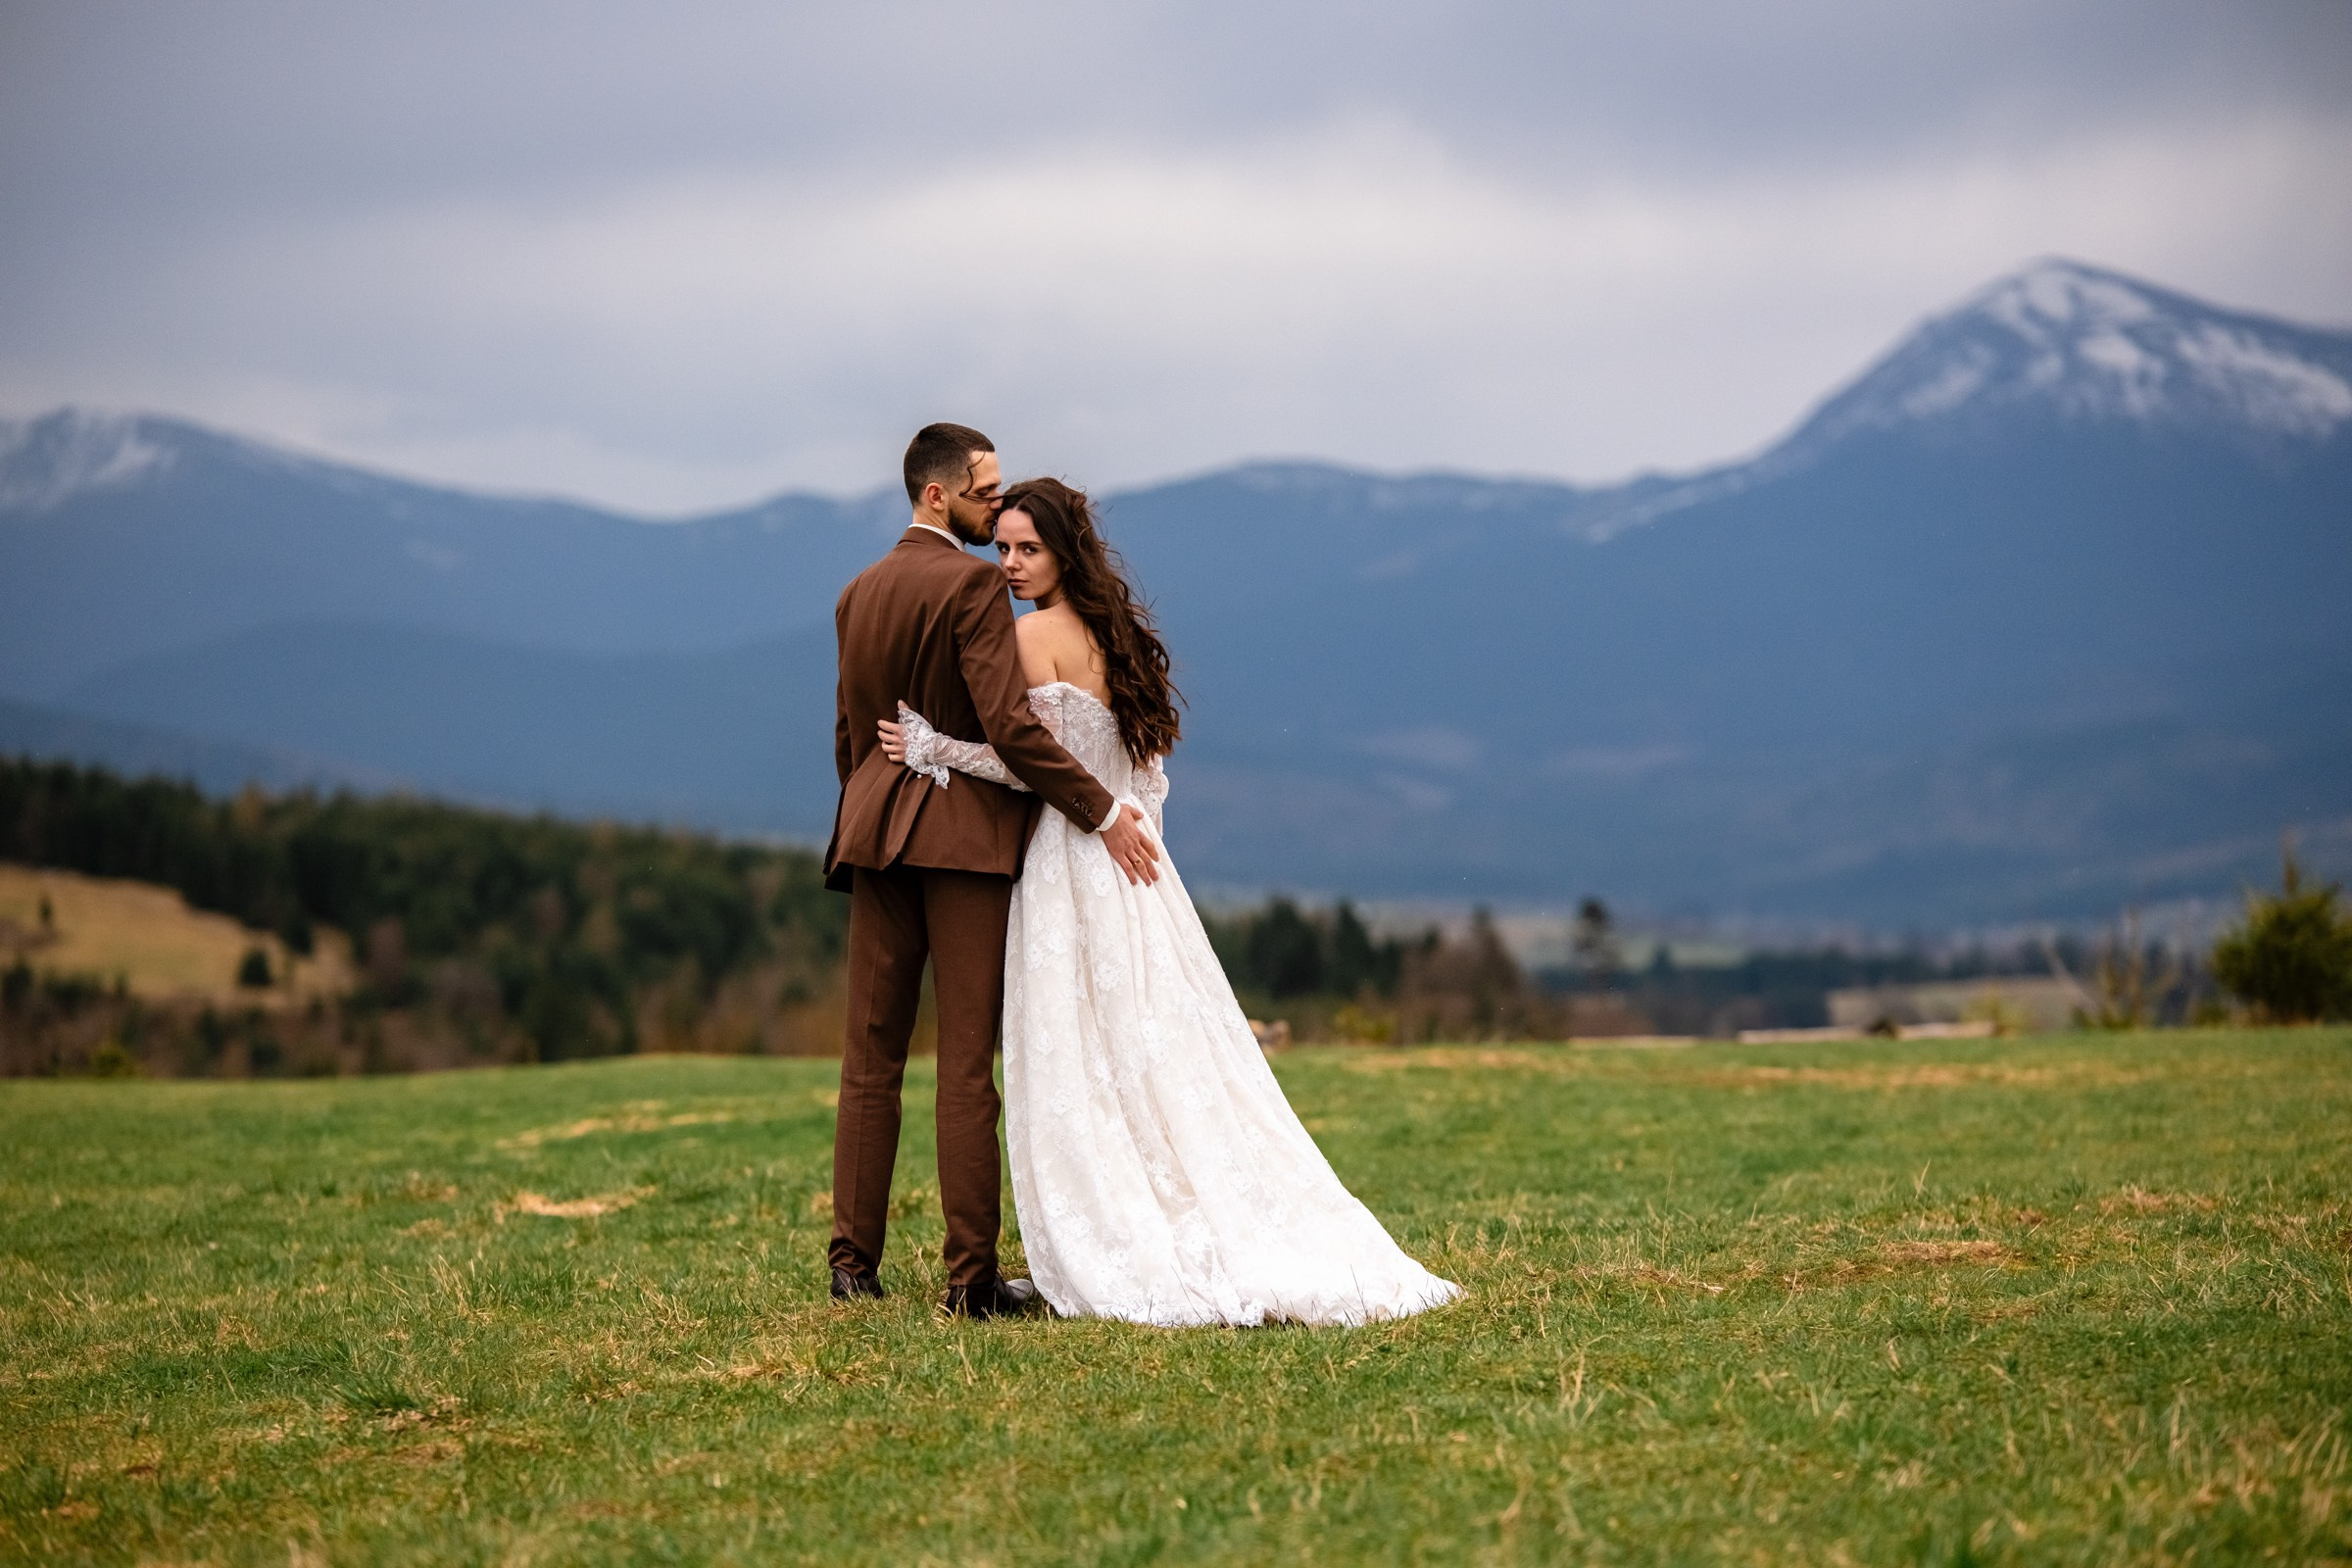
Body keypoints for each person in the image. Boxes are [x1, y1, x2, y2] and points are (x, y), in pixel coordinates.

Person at [880, 476, 1460, 1327]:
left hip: (1071, 862)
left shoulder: (1033, 635)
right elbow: (1148, 769)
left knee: (1080, 1055)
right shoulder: (1118, 637)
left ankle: (1122, 1236)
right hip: (1140, 865)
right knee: (1151, 1049)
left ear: (1064, 551)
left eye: (1026, 548)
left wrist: (936, 749)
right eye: (1001, 546)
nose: (1008, 563)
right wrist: (1136, 828)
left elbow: (1028, 761)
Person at [824, 424, 1163, 1319]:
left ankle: (852, 1264)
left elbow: (850, 741)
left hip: (872, 835)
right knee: (965, 1063)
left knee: (871, 1058)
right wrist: (1100, 810)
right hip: (963, 845)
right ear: (939, 495)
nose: (993, 508)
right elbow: (1011, 730)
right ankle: (970, 1278)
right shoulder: (973, 586)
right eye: (985, 491)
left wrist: (873, 807)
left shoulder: (857, 593)